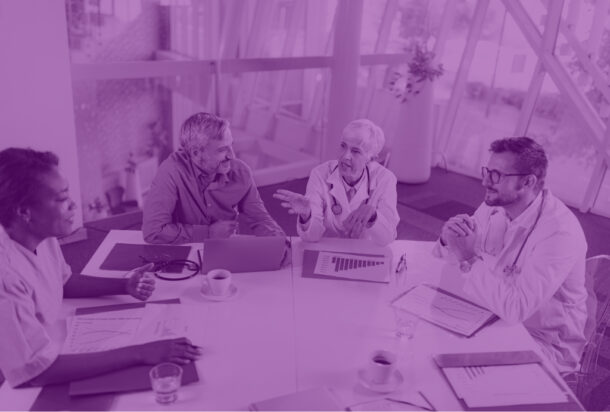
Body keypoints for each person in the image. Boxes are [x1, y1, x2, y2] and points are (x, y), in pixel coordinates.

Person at [0, 148, 201, 388]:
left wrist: (124, 285)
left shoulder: (39, 234)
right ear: (24, 212)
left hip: (51, 339)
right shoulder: (5, 276)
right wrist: (140, 352)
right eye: (62, 199)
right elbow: (36, 371)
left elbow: (62, 281)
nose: (73, 205)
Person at [434, 137, 588, 373]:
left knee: (453, 363)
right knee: (427, 333)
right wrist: (448, 240)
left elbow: (516, 309)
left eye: (496, 175)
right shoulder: (495, 205)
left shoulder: (560, 233)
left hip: (542, 341)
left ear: (527, 182)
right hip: (491, 313)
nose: (485, 181)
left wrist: (469, 258)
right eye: (487, 171)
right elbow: (445, 258)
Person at [142, 112, 285, 244]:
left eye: (231, 146)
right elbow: (153, 231)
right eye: (222, 150)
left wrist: (280, 243)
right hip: (181, 252)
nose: (232, 156)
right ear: (196, 153)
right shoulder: (172, 171)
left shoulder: (241, 172)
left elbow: (260, 220)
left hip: (225, 250)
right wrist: (208, 233)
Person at [274, 119, 399, 246]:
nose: (345, 156)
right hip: (327, 249)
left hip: (365, 250)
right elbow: (311, 237)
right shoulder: (320, 174)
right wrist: (307, 215)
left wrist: (373, 216)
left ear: (370, 159)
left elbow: (387, 238)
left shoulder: (385, 179)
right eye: (343, 146)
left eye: (355, 151)